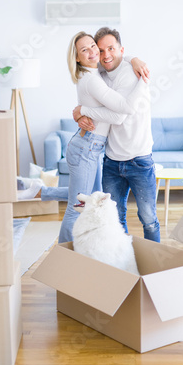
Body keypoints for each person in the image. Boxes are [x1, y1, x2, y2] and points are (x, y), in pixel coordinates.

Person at [38, 31, 147, 243]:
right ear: (77, 57)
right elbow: (122, 111)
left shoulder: (96, 72)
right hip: (86, 148)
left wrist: (134, 59)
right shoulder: (91, 79)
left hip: (91, 148)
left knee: (95, 201)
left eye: (92, 46)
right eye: (84, 49)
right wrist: (144, 81)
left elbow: (114, 56)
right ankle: (65, 260)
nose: (92, 52)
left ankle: (94, 253)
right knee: (76, 207)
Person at [74, 27, 160, 243]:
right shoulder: (101, 72)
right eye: (100, 50)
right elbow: (92, 90)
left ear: (121, 49)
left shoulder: (131, 73)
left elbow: (119, 115)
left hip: (139, 159)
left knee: (148, 219)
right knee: (115, 219)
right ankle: (122, 267)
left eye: (111, 49)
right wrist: (79, 113)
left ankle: (155, 270)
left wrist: (83, 110)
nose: (105, 55)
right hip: (112, 161)